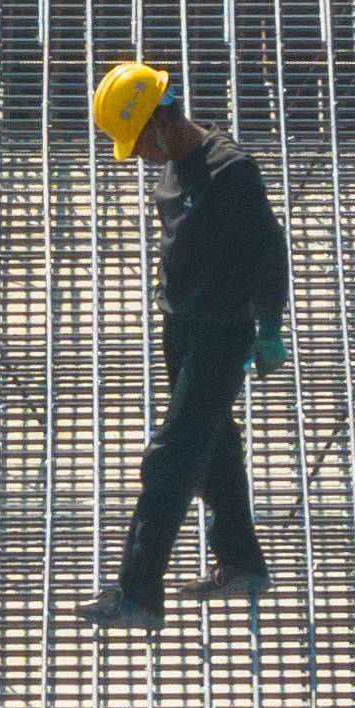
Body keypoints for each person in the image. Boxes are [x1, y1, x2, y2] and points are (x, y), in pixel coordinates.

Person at [79, 62, 291, 629]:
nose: (138, 155)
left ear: (163, 120)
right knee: (215, 444)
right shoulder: (175, 164)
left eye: (138, 141)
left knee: (170, 456)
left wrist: (269, 327)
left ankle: (138, 593)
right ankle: (243, 562)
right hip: (183, 324)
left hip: (223, 332)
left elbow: (270, 251)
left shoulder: (231, 173)